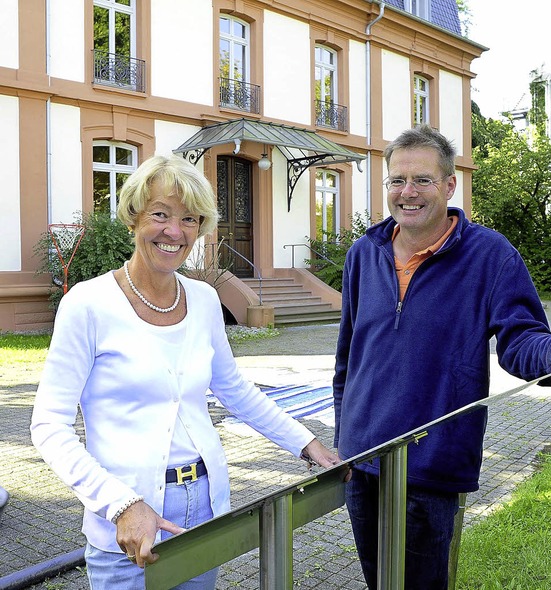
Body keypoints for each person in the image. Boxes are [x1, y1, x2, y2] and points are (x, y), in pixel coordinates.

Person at [31, 155, 342, 590]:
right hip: (128, 517)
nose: (175, 231)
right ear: (133, 217)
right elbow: (48, 426)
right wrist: (120, 504)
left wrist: (306, 444)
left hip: (204, 507)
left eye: (190, 219)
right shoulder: (88, 304)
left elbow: (234, 388)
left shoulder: (203, 299)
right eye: (160, 214)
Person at [332, 125, 551, 590]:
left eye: (422, 180)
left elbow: (523, 340)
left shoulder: (489, 256)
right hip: (362, 459)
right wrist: (345, 437)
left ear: (448, 185)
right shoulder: (364, 253)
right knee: (378, 582)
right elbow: (347, 358)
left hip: (433, 464)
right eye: (396, 180)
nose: (407, 192)